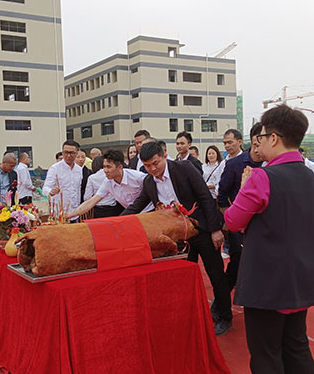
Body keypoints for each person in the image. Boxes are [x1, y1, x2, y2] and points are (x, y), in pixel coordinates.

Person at [224, 105, 314, 374]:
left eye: (261, 137)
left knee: (266, 354)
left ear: (274, 138)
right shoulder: (310, 175)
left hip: (267, 281)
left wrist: (243, 189)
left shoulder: (262, 177)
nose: (258, 143)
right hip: (300, 276)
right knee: (297, 349)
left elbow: (233, 220)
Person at [122, 141, 233, 336]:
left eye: (155, 163)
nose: (152, 169)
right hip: (179, 237)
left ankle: (225, 316)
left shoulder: (184, 169)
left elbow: (205, 197)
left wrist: (215, 230)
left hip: (201, 229)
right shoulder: (149, 182)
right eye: (147, 166)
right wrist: (115, 223)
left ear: (164, 156)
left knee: (215, 274)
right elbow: (137, 205)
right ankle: (190, 314)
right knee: (182, 278)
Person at [217, 122, 264, 291]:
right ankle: (222, 298)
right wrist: (229, 219)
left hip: (262, 222)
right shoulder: (234, 165)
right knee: (238, 259)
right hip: (239, 223)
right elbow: (222, 195)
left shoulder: (270, 164)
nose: (259, 149)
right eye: (256, 144)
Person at [68, 149, 153, 218]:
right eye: (104, 167)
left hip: (150, 212)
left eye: (108, 167)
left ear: (120, 167)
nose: (105, 170)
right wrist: (69, 215)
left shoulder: (137, 177)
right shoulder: (108, 182)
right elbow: (90, 202)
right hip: (133, 215)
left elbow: (154, 186)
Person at [43, 140, 83, 221]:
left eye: (72, 153)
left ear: (76, 153)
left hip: (74, 214)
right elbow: (45, 188)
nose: (68, 155)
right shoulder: (55, 168)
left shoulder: (79, 169)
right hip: (59, 214)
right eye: (66, 152)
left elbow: (78, 190)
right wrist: (51, 191)